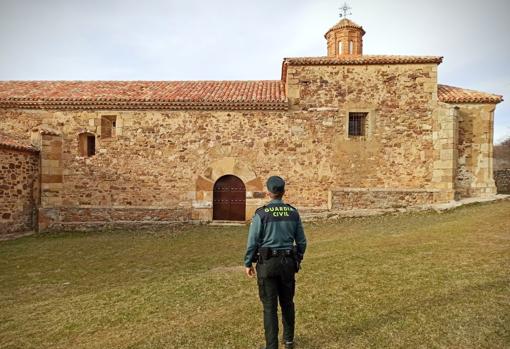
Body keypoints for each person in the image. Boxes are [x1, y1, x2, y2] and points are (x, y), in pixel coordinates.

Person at [244, 176, 307, 349]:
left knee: (270, 307)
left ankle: (271, 345)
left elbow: (252, 241)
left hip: (268, 264)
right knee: (287, 302)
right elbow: (302, 241)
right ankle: (288, 340)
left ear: (268, 193)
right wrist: (297, 258)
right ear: (283, 192)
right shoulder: (293, 212)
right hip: (287, 263)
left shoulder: (261, 214)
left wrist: (248, 263)